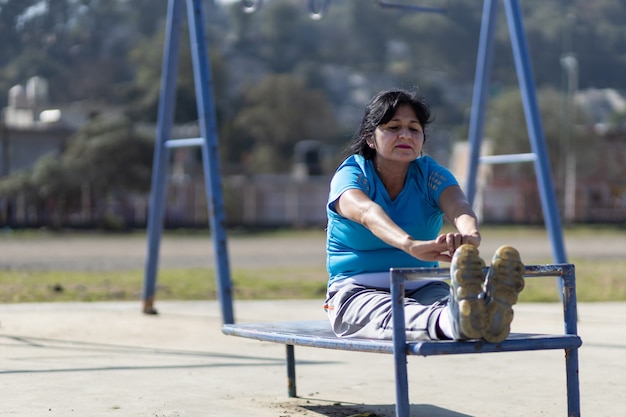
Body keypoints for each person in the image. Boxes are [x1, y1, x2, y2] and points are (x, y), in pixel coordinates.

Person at [324, 88, 525, 343]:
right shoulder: (353, 174)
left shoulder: (429, 173)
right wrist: (410, 245)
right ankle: (466, 319)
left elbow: (458, 206)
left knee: (444, 304)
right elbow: (367, 212)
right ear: (370, 138)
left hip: (424, 284)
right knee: (397, 313)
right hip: (357, 289)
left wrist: (470, 235)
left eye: (414, 128)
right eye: (393, 127)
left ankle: (478, 312)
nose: (405, 135)